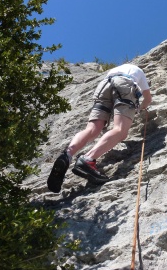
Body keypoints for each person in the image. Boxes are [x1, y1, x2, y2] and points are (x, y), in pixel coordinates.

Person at [47, 63, 152, 193]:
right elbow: (148, 98)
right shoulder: (139, 71)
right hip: (124, 84)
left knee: (92, 130)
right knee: (120, 130)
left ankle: (67, 155)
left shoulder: (115, 69)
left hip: (103, 85)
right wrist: (139, 109)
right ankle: (88, 159)